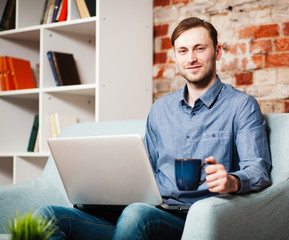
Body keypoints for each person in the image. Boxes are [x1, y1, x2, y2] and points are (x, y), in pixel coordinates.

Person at [36, 17, 272, 240]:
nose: (191, 58)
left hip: (192, 217)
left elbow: (258, 170)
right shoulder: (160, 110)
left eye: (200, 48)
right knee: (47, 217)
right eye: (183, 51)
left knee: (136, 214)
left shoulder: (241, 105)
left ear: (218, 52)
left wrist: (232, 181)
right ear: (176, 58)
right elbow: (145, 171)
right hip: (148, 210)